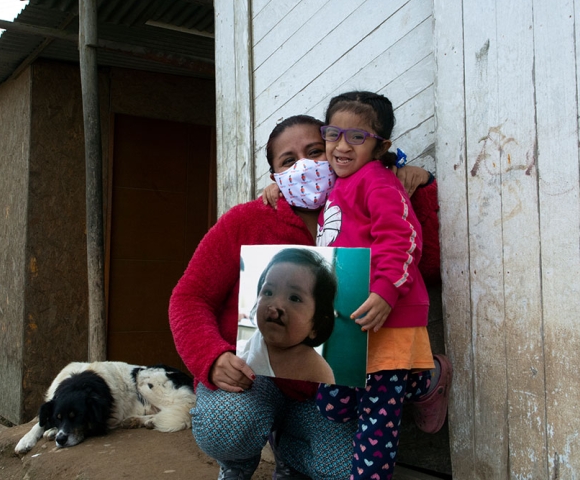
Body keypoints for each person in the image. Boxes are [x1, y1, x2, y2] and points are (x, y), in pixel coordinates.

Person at [168, 114, 439, 480]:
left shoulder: (367, 212)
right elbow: (189, 297)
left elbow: (428, 266)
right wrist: (211, 358)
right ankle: (237, 463)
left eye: (315, 151)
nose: (306, 166)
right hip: (254, 377)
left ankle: (290, 453)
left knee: (347, 470)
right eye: (289, 161)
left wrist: (420, 188)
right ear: (275, 178)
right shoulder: (246, 220)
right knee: (229, 424)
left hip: (325, 393)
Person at [311, 91, 452, 479]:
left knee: (376, 424)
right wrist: (274, 187)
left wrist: (386, 291)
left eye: (357, 137)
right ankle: (426, 378)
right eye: (333, 133)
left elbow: (403, 238)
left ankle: (421, 377)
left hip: (389, 319)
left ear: (380, 145)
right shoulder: (336, 184)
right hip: (347, 320)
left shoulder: (377, 182)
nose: (341, 145)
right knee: (333, 405)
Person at [238, 247, 337, 384]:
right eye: (268, 292)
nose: (275, 306)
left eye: (294, 298)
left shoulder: (316, 370)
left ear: (316, 325)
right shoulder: (253, 343)